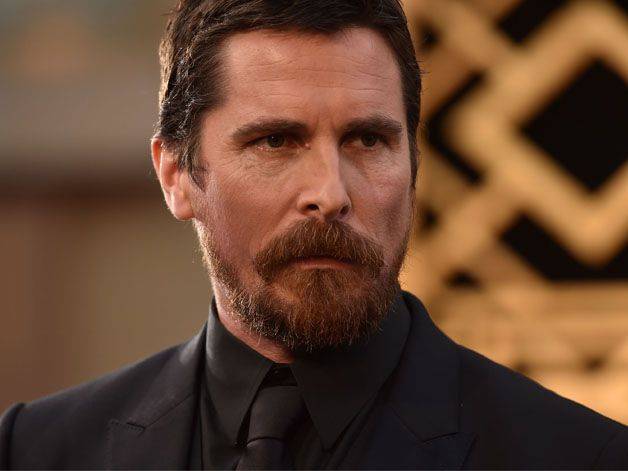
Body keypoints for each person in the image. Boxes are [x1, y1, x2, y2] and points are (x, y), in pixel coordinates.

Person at [1, 0, 627, 469]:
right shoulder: (35, 450)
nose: (330, 193)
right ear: (177, 175)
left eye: (368, 140)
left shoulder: (580, 457)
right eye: (276, 140)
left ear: (414, 166)